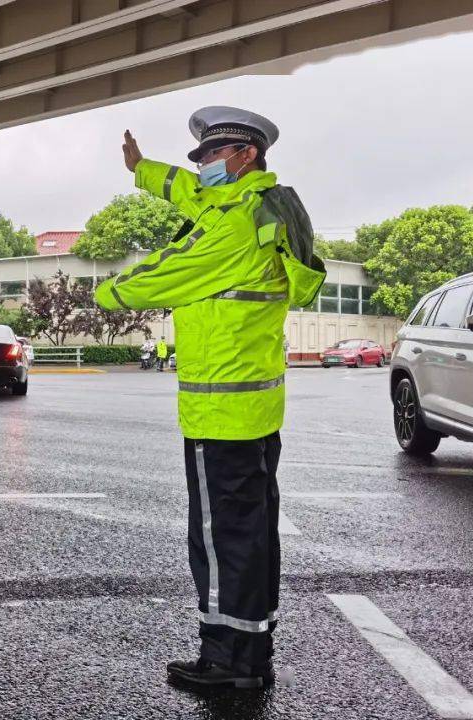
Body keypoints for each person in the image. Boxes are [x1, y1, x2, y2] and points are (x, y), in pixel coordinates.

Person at [94, 106, 326, 690]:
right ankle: (250, 651)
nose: (202, 167)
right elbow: (186, 192)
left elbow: (168, 271)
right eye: (199, 157)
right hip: (250, 411)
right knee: (250, 534)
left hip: (221, 412)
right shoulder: (252, 207)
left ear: (247, 155)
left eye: (213, 155)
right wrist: (143, 169)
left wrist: (106, 291)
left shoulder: (233, 225)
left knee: (223, 543)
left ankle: (228, 662)